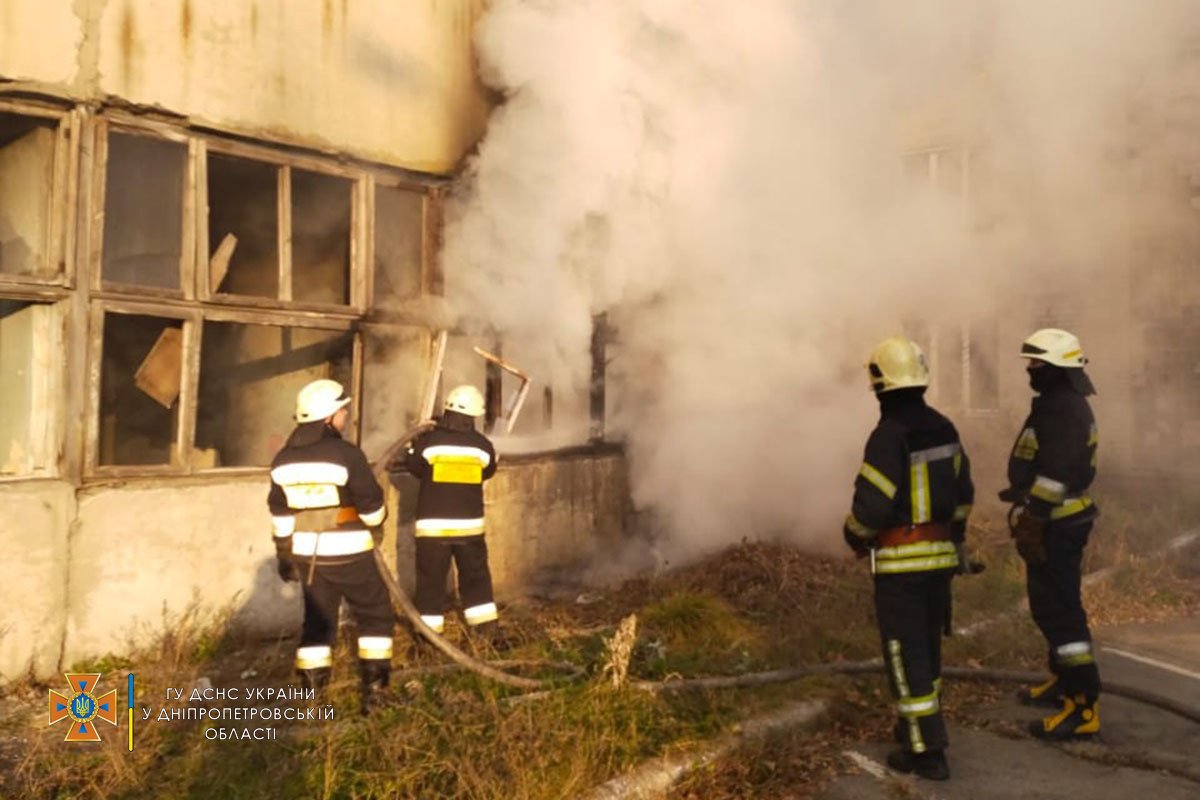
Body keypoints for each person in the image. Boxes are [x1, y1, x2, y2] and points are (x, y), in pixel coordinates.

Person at [843, 336, 975, 782]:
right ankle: (915, 731)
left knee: (904, 652)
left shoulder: (888, 437)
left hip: (901, 565)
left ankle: (926, 750)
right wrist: (953, 538)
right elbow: (964, 496)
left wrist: (853, 534)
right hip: (940, 560)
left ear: (880, 385)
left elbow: (872, 509)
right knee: (927, 651)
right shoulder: (944, 427)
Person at [267, 378, 394, 714]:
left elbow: (280, 511)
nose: (346, 415)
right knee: (376, 615)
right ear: (328, 417)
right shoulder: (346, 454)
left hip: (308, 555)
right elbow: (371, 506)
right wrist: (378, 524)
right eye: (342, 410)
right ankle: (376, 695)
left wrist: (284, 554)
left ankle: (312, 702)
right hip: (350, 551)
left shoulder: (282, 460)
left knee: (317, 622)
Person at [1002, 328, 1101, 740]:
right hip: (1056, 521)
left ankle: (1083, 706)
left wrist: (1036, 517)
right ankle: (1063, 682)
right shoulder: (1060, 404)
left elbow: (1056, 474)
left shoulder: (1063, 409)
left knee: (1060, 612)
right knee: (1051, 606)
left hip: (1057, 523)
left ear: (1059, 369)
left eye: (1037, 364)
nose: (1030, 370)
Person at [394, 384, 501, 644]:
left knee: (430, 582)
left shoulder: (430, 442)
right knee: (475, 578)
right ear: (474, 415)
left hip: (432, 530)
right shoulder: (482, 446)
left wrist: (417, 440)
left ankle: (429, 640)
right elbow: (488, 471)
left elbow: (414, 467)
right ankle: (486, 633)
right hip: (469, 529)